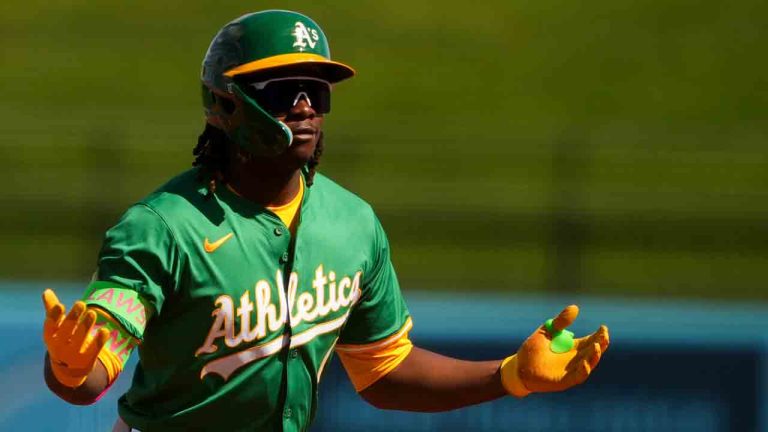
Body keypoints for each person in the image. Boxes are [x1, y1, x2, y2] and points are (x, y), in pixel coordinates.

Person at [41, 10, 610, 432]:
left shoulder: (352, 224)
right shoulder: (162, 228)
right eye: (284, 90)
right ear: (227, 105)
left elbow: (383, 371)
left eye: (316, 90)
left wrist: (510, 375)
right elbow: (93, 369)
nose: (306, 106)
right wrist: (69, 369)